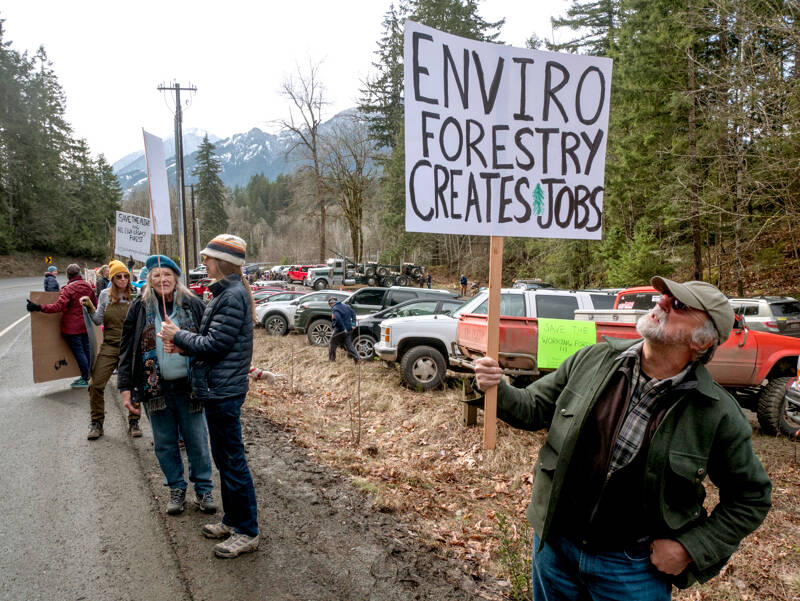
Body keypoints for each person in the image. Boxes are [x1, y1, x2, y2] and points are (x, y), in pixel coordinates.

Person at [474, 276, 772, 600]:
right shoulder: (592, 359)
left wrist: (690, 548)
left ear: (701, 341)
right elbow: (532, 409)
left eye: (679, 305)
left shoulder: (717, 413)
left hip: (633, 569)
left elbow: (751, 497)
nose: (661, 303)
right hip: (556, 547)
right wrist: (495, 387)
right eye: (664, 297)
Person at [159, 234, 259, 559]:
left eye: (208, 256)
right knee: (224, 460)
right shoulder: (224, 293)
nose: (204, 261)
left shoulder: (231, 296)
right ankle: (232, 520)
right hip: (218, 389)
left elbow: (214, 345)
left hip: (224, 391)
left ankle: (247, 530)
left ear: (223, 261)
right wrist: (183, 341)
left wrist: (178, 335)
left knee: (232, 462)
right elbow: (206, 338)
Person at [117, 254, 216, 516]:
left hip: (190, 387)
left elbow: (210, 342)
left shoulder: (194, 304)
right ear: (150, 280)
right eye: (157, 275)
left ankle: (204, 488)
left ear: (176, 278)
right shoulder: (139, 308)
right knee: (164, 442)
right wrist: (126, 387)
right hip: (154, 389)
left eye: (168, 274)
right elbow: (126, 349)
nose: (163, 279)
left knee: (197, 440)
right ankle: (176, 487)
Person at [81, 260, 140, 440]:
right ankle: (97, 422)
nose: (123, 279)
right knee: (95, 384)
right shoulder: (105, 295)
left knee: (134, 385)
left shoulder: (136, 294)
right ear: (112, 278)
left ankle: (134, 422)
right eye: (118, 276)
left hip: (131, 348)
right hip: (110, 345)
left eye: (125, 276)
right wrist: (89, 306)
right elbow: (98, 320)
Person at [27, 263, 96, 388]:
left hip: (71, 328)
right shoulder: (88, 287)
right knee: (87, 350)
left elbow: (58, 307)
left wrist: (38, 307)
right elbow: (94, 305)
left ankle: (85, 378)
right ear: (79, 273)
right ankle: (91, 375)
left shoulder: (68, 289)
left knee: (79, 352)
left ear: (68, 275)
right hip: (86, 325)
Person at [328, 296, 358, 364]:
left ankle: (331, 360)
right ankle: (357, 358)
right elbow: (353, 314)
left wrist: (343, 328)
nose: (330, 306)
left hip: (340, 330)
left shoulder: (335, 308)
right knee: (349, 345)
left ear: (331, 303)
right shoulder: (346, 306)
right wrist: (353, 324)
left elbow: (338, 319)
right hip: (349, 329)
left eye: (330, 305)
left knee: (332, 343)